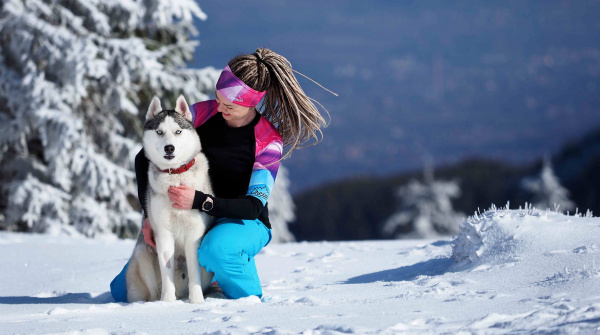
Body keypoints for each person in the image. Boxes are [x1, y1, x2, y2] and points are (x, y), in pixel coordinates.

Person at [110, 48, 331, 302]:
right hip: (195, 215)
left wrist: (200, 201)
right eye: (218, 98)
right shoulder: (202, 113)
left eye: (230, 105)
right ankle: (208, 272)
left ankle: (243, 293)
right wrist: (150, 218)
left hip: (243, 220)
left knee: (217, 250)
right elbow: (145, 156)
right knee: (123, 289)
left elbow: (253, 206)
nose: (220, 107)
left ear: (252, 103)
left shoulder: (268, 141)